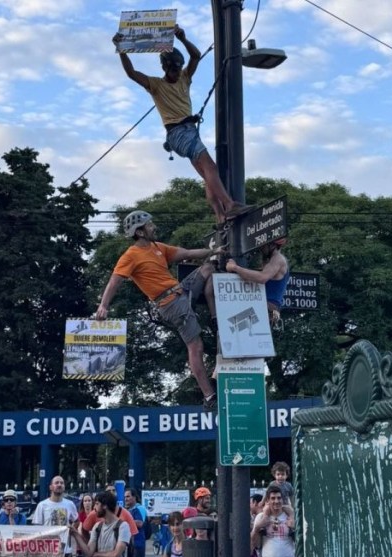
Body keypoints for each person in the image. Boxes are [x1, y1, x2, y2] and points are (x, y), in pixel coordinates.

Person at [112, 25, 248, 223]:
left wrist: (183, 38)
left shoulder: (185, 78)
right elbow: (131, 73)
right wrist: (121, 48)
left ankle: (220, 218)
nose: (176, 72)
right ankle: (230, 205)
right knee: (210, 167)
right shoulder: (156, 85)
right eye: (172, 68)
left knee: (208, 174)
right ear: (165, 67)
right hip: (178, 132)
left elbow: (196, 55)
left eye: (177, 68)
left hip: (187, 131)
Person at [95, 210, 223, 410]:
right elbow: (115, 281)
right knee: (195, 347)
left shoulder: (157, 247)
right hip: (171, 303)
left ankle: (215, 317)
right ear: (140, 232)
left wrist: (215, 251)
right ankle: (209, 397)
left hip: (182, 291)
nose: (154, 227)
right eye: (150, 225)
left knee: (208, 267)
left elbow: (188, 253)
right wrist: (103, 305)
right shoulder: (131, 255)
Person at [226, 239, 290, 328]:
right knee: (232, 327)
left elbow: (262, 277)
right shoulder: (270, 260)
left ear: (272, 245)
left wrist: (235, 268)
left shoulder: (278, 259)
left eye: (263, 245)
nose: (260, 248)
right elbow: (253, 278)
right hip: (262, 308)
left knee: (231, 326)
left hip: (267, 308)